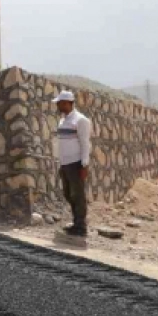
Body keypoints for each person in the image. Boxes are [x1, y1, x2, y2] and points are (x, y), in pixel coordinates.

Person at [53, 90, 92, 237]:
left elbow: (85, 143)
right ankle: (76, 221)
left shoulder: (81, 120)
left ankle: (81, 226)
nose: (58, 105)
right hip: (65, 163)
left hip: (76, 164)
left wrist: (84, 164)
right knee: (68, 194)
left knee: (78, 195)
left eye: (59, 103)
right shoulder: (63, 121)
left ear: (67, 103)